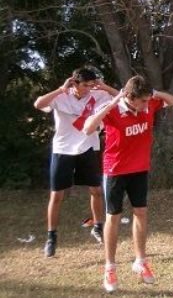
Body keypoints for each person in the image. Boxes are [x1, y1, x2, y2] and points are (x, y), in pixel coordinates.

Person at [83, 76, 173, 293]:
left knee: (141, 212)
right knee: (113, 217)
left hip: (140, 169)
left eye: (148, 100)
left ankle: (140, 261)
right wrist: (111, 104)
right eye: (143, 101)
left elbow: (172, 101)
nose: (147, 105)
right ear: (130, 97)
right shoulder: (113, 109)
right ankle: (110, 267)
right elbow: (88, 128)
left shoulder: (149, 103)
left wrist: (154, 92)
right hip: (115, 170)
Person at [33, 67, 118, 258]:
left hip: (88, 147)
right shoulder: (61, 96)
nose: (88, 89)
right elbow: (38, 104)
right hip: (63, 149)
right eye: (85, 85)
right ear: (74, 83)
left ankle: (97, 227)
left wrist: (104, 86)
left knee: (96, 190)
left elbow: (122, 97)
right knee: (57, 195)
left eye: (91, 85)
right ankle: (51, 237)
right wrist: (60, 90)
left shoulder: (98, 94)